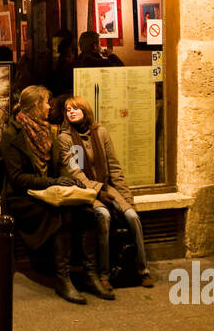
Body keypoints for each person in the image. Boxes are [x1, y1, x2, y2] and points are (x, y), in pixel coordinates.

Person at [59, 95, 155, 298]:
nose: (71, 112)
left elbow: (114, 166)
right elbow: (75, 172)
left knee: (132, 216)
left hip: (107, 187)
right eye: (68, 109)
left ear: (85, 110)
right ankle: (103, 274)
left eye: (75, 108)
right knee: (103, 215)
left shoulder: (100, 133)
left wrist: (126, 199)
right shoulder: (66, 138)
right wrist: (97, 191)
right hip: (86, 190)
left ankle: (143, 270)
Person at [0, 85, 85, 304]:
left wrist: (71, 180)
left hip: (47, 190)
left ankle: (92, 274)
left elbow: (58, 164)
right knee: (58, 216)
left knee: (87, 210)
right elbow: (18, 178)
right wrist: (52, 182)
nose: (50, 107)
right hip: (22, 197)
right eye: (46, 102)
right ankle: (63, 279)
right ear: (36, 105)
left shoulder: (47, 130)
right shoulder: (12, 134)